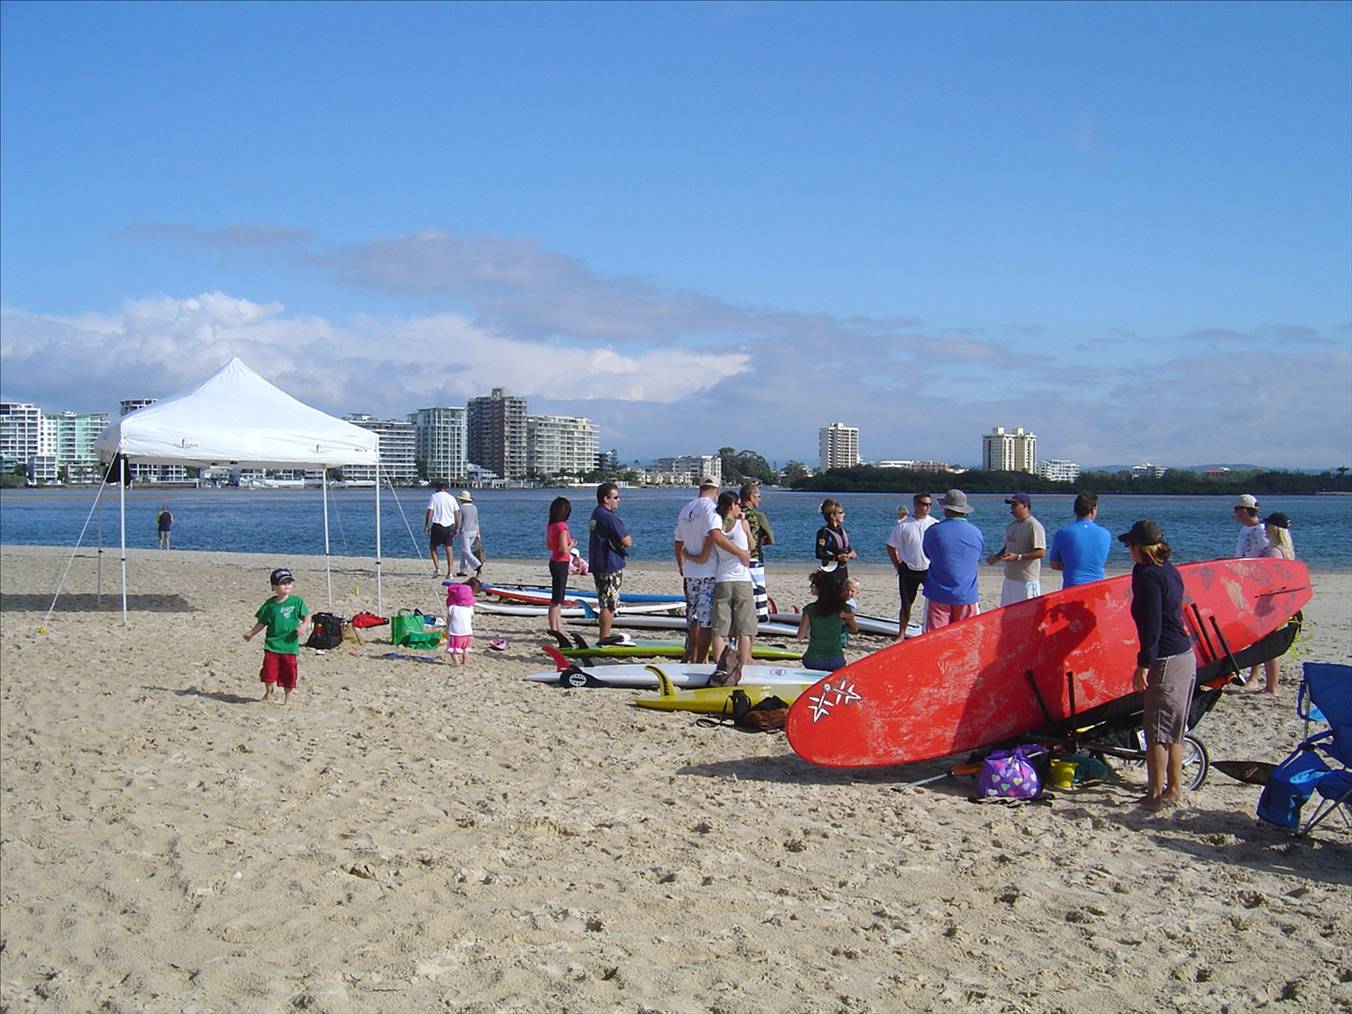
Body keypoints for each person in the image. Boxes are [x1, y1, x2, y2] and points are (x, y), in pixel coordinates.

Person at [1120, 520, 1195, 811]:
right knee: (1173, 730)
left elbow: (1152, 624)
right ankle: (1173, 788)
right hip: (1184, 653)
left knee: (1156, 732)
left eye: (1130, 546)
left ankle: (1155, 795)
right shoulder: (1167, 570)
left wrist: (1143, 664)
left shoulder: (1149, 575)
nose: (1128, 551)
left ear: (1139, 547)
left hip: (1165, 658)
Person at [243, 568, 311, 705]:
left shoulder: (297, 601)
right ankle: (268, 693)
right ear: (274, 587)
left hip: (289, 646)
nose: (287, 585)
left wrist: (304, 626)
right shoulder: (270, 605)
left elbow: (307, 616)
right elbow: (262, 622)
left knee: (289, 673)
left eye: (289, 582)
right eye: (283, 583)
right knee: (268, 671)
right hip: (272, 644)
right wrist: (251, 632)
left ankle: (288, 698)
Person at [706, 491, 756, 669]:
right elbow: (751, 546)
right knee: (745, 625)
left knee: (720, 626)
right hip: (741, 579)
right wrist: (746, 526)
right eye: (737, 505)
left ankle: (719, 662)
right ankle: (745, 660)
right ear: (732, 505)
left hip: (723, 578)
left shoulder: (718, 526)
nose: (739, 507)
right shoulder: (740, 523)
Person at [921, 489, 985, 631]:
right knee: (965, 637)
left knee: (936, 639)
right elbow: (977, 556)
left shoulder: (934, 531)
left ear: (946, 509)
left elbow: (927, 554)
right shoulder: (975, 532)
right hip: (966, 592)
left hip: (938, 592)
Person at [673, 479, 720, 662]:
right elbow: (713, 535)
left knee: (693, 617)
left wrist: (681, 565)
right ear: (717, 489)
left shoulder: (687, 509)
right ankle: (700, 658)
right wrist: (703, 556)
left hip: (691, 571)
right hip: (707, 570)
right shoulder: (711, 508)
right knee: (705, 619)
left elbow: (678, 542)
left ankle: (690, 653)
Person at [884, 493, 939, 640]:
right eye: (923, 504)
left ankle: (931, 631)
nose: (927, 507)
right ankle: (901, 634)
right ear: (916, 505)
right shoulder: (903, 525)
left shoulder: (935, 524)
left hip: (929, 569)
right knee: (906, 603)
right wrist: (898, 566)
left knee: (935, 603)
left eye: (929, 504)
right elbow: (890, 546)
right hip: (908, 569)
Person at [1254, 512, 1296, 695]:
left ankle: (1272, 686)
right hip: (1280, 603)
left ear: (1272, 529)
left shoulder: (1273, 551)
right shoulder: (1286, 550)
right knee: (1271, 645)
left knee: (1268, 645)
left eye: (1266, 526)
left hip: (1269, 603)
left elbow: (1268, 578)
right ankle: (1272, 685)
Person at [588, 482, 632, 640]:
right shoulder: (609, 518)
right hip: (609, 564)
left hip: (599, 562)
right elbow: (627, 541)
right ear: (606, 499)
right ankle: (604, 636)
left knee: (604, 601)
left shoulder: (596, 514)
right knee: (610, 603)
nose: (618, 500)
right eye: (615, 497)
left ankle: (604, 634)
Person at [986, 493, 1046, 605]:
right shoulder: (1011, 526)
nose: (1011, 509)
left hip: (1026, 579)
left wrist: (1018, 557)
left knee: (1027, 615)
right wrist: (996, 557)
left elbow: (1041, 552)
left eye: (1014, 505)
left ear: (1024, 505)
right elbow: (1007, 547)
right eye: (1011, 505)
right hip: (1010, 577)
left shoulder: (1034, 525)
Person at [797, 569, 859, 672]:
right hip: (836, 659)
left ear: (818, 589)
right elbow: (854, 629)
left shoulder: (810, 609)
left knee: (806, 660)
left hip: (813, 659)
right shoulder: (844, 609)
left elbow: (800, 636)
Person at [1048, 492, 1112, 589]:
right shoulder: (1106, 534)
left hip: (1073, 585)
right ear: (1093, 510)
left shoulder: (1063, 533)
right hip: (1097, 585)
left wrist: (1070, 566)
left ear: (1075, 510)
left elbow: (1054, 564)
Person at [740, 482, 776, 621]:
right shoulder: (755, 516)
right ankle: (760, 616)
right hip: (753, 557)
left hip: (735, 557)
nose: (760, 499)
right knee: (758, 589)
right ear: (751, 497)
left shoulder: (734, 513)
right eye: (758, 496)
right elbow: (769, 538)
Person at [545, 497, 574, 634]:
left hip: (554, 561)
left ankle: (556, 626)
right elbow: (564, 549)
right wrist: (572, 544)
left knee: (557, 597)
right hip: (561, 562)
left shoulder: (551, 526)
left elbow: (549, 545)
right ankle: (555, 627)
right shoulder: (562, 527)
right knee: (557, 599)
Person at [423, 481, 460, 578]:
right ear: (446, 488)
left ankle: (437, 568)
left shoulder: (434, 497)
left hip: (438, 524)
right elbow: (457, 513)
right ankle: (450, 572)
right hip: (449, 525)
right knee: (449, 548)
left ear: (437, 488)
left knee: (433, 547)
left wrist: (427, 524)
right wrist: (457, 527)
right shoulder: (451, 498)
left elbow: (430, 511)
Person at [814, 498, 855, 585]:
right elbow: (819, 553)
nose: (844, 514)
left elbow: (847, 548)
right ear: (832, 515)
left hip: (843, 570)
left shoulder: (842, 531)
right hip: (830, 570)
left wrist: (851, 553)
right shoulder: (824, 532)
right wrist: (837, 557)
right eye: (840, 513)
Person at [444, 579, 478, 667]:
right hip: (467, 632)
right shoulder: (470, 607)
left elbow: (449, 619)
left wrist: (447, 626)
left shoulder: (453, 607)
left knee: (453, 650)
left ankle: (457, 662)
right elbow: (471, 616)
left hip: (456, 632)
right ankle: (464, 662)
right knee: (465, 649)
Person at [454, 490, 482, 576]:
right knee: (466, 550)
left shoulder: (461, 508)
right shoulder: (474, 507)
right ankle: (463, 570)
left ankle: (476, 564)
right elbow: (476, 522)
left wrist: (456, 530)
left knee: (466, 550)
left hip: (465, 531)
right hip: (473, 531)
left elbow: (459, 521)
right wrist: (478, 533)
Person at [1233, 494, 1269, 559]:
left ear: (1243, 511)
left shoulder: (1263, 529)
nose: (1234, 512)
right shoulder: (1244, 529)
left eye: (1236, 509)